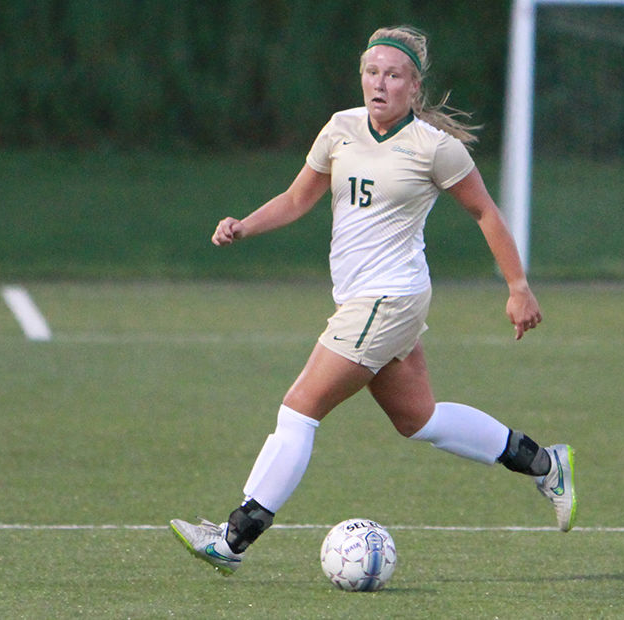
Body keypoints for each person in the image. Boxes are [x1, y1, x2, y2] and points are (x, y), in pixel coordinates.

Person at [170, 25, 576, 576]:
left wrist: (518, 287)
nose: (379, 83)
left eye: (392, 74)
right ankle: (544, 462)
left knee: (299, 408)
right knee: (419, 419)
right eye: (371, 71)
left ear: (414, 87)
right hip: (368, 301)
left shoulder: (436, 149)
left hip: (388, 299)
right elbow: (296, 199)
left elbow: (486, 212)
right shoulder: (340, 129)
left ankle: (233, 538)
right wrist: (244, 226)